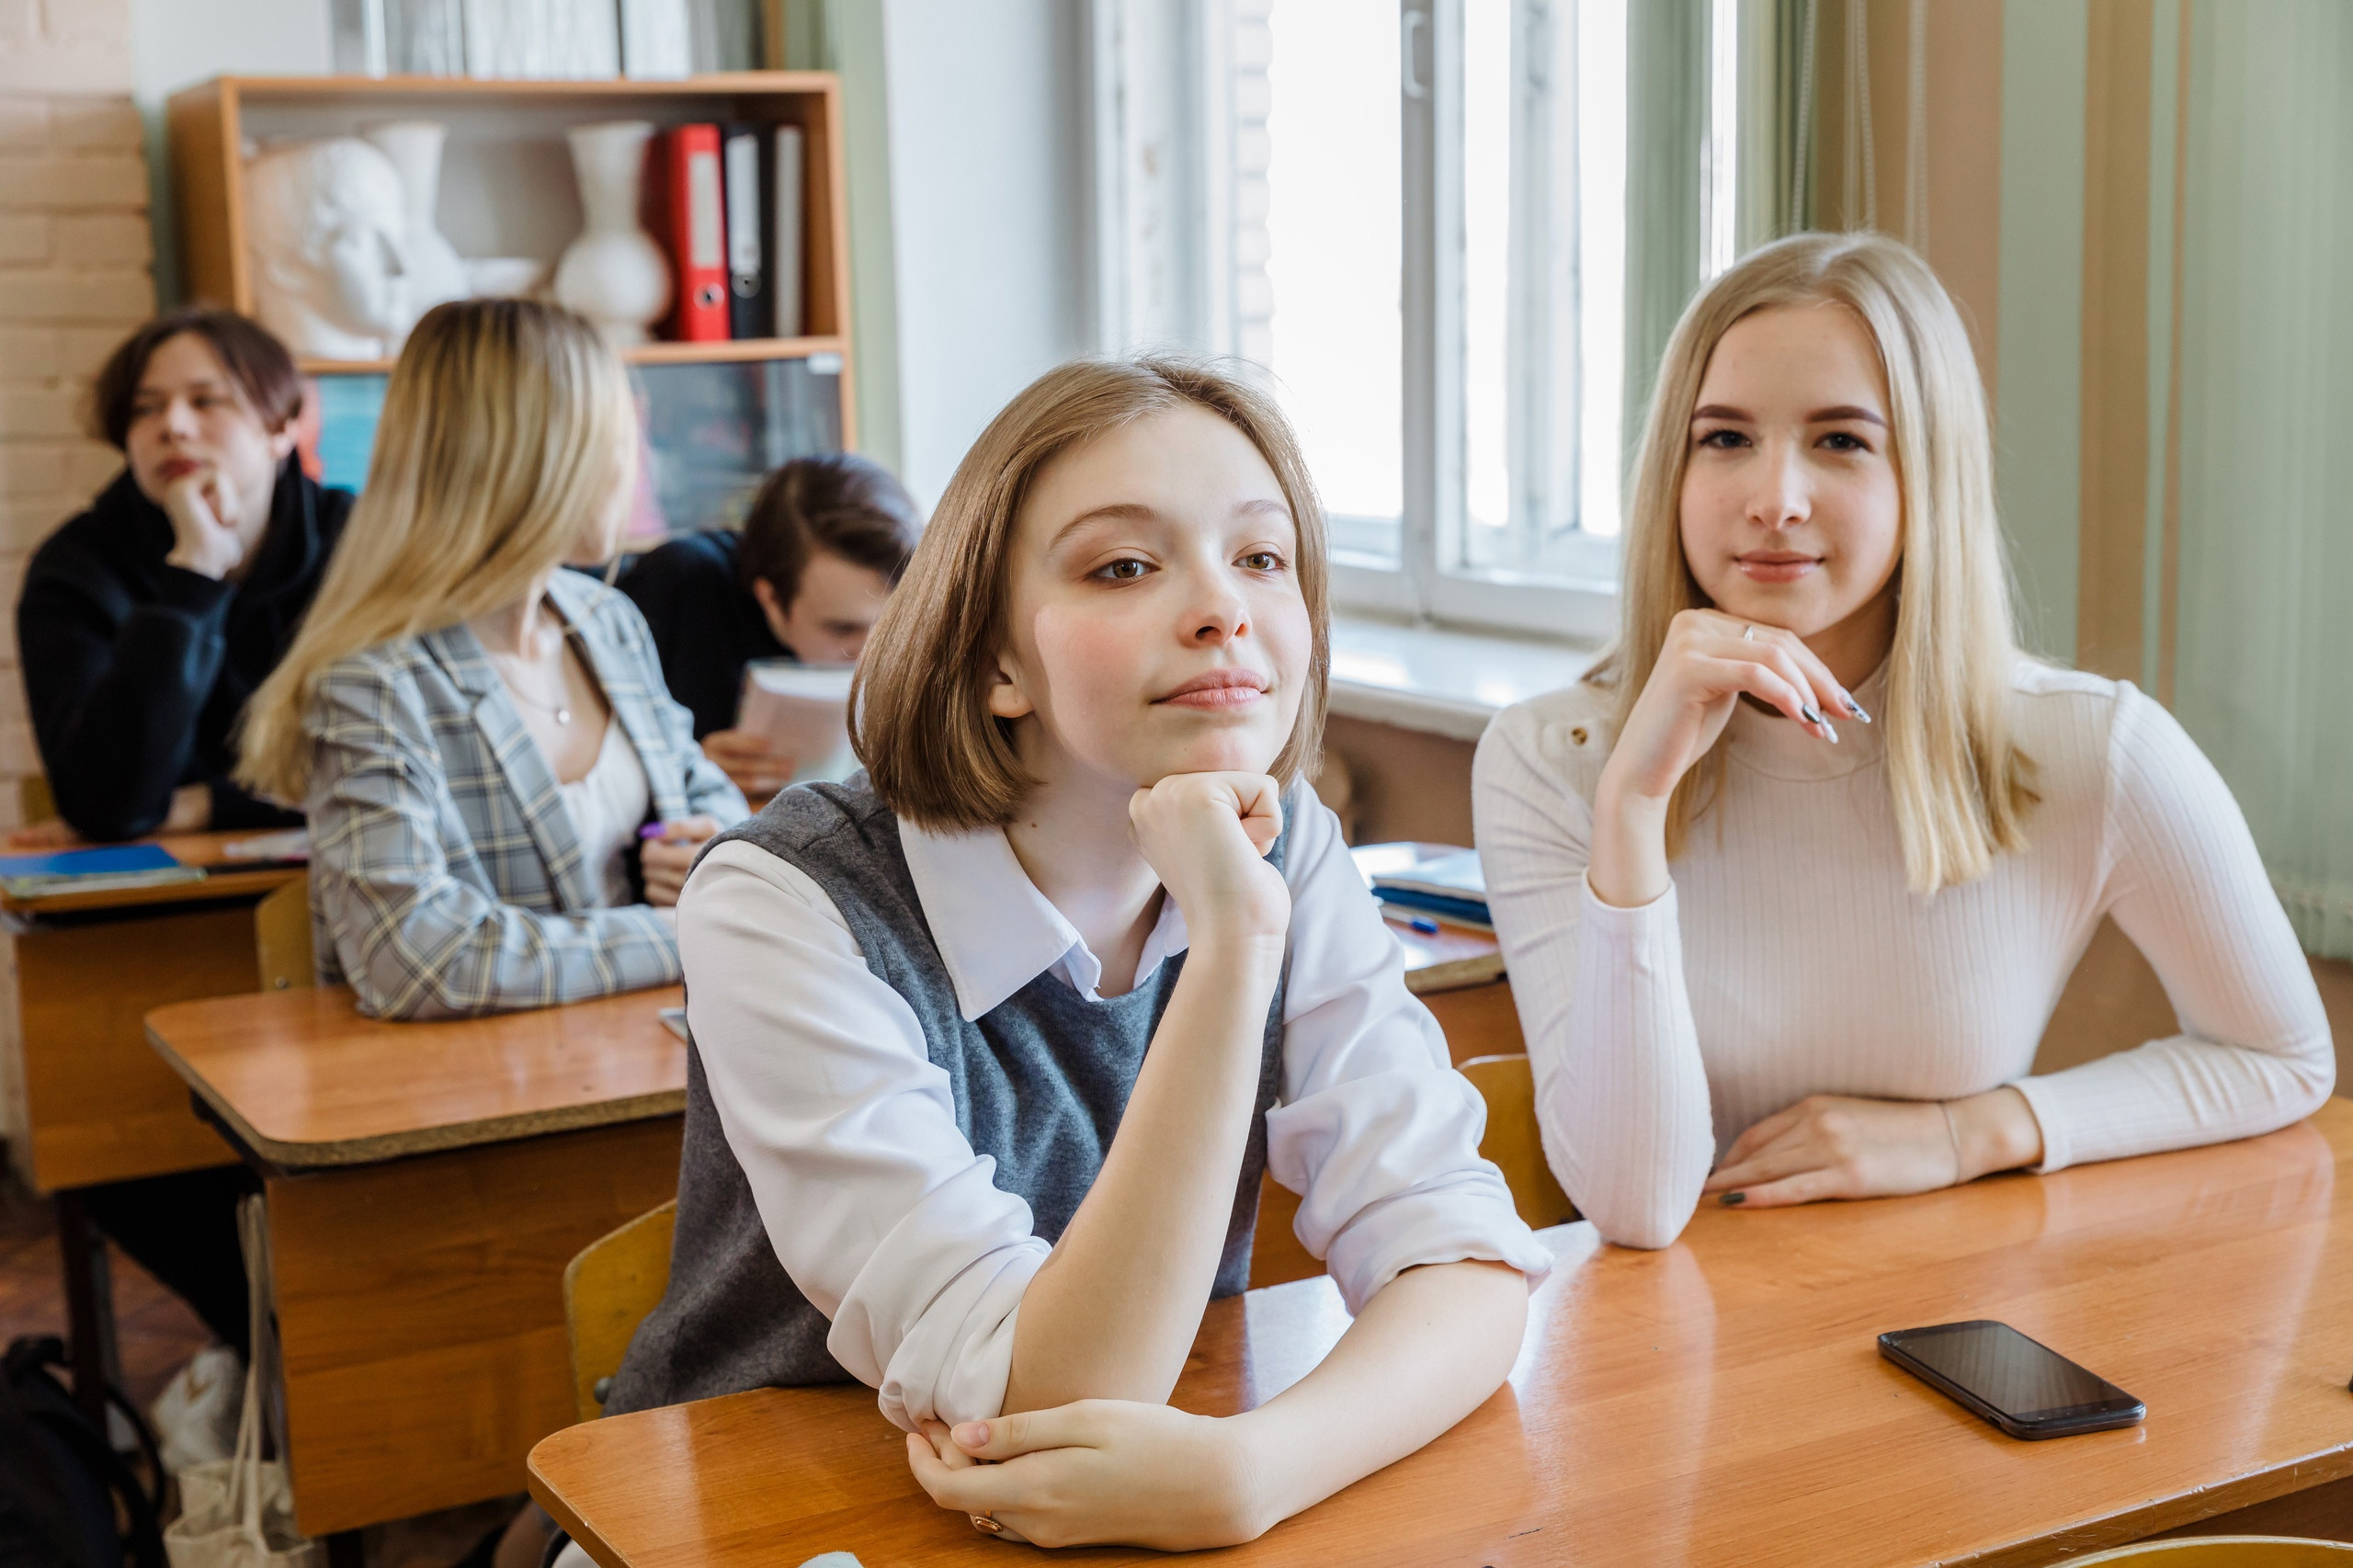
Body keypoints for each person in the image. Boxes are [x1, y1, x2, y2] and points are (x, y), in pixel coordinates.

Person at [587, 357, 1549, 1555]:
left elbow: (1463, 1259)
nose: (1223, 610)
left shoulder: (1287, 843)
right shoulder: (784, 897)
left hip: (1125, 1514)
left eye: (1261, 557)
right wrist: (1237, 945)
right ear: (996, 662)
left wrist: (1256, 1467)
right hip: (764, 1523)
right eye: (1126, 566)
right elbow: (1044, 1400)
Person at [1472, 232, 2333, 1251]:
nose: (1774, 499)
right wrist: (1631, 807)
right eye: (1724, 438)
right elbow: (1633, 1204)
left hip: (1951, 1317)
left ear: (1928, 474)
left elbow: (2281, 1057)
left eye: (1840, 440)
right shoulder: (1550, 758)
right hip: (1675, 1347)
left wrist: (1971, 1132)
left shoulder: (2091, 744)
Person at [237, 299, 746, 1020]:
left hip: (644, 1057)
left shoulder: (608, 621)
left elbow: (702, 791)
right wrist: (686, 935)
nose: (639, 464)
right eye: (618, 437)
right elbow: (412, 959)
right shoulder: (372, 681)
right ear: (541, 460)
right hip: (472, 1099)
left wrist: (708, 847)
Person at [17, 309, 354, 843]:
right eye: (145, 409)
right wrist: (194, 576)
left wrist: (204, 806)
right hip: (158, 907)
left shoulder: (357, 542)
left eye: (205, 401)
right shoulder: (75, 567)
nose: (172, 426)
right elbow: (104, 804)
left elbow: (405, 765)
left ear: (282, 427)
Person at [617, 453, 921, 797]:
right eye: (842, 630)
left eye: (892, 626)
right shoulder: (678, 588)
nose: (872, 655)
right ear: (771, 600)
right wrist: (688, 770)